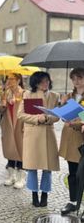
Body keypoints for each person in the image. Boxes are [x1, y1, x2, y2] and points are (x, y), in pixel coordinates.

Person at [17, 71, 60, 207]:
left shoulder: (55, 96)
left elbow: (58, 116)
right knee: (32, 167)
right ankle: (34, 194)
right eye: (42, 81)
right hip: (33, 135)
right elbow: (20, 115)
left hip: (48, 134)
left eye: (47, 81)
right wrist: (37, 118)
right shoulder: (28, 94)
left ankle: (45, 194)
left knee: (48, 168)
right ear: (35, 82)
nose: (45, 84)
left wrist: (47, 118)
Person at [59, 68, 84, 215]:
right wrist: (62, 107)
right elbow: (63, 117)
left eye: (79, 77)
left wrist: (76, 120)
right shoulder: (69, 96)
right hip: (70, 139)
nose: (76, 81)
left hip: (82, 138)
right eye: (73, 78)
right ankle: (73, 202)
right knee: (72, 172)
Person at [0, 73, 25, 189]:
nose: (9, 81)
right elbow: (1, 109)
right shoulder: (5, 93)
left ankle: (20, 177)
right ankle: (11, 175)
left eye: (12, 79)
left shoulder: (24, 93)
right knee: (9, 148)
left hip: (20, 124)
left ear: (18, 80)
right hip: (8, 124)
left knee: (20, 149)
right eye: (8, 79)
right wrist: (2, 105)